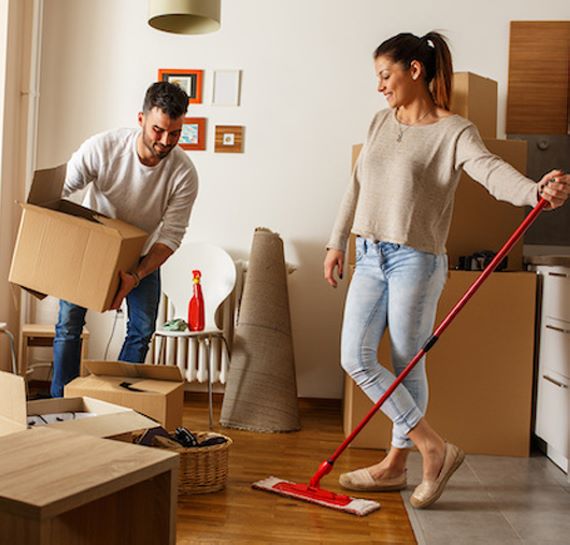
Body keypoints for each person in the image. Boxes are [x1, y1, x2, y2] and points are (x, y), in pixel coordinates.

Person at [324, 31, 569, 509]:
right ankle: (433, 447)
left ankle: (397, 463)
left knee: (406, 360)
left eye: (385, 74)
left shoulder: (454, 131)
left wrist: (533, 191)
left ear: (414, 71)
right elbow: (354, 186)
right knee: (354, 356)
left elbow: (491, 171)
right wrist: (337, 242)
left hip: (415, 258)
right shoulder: (379, 122)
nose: (379, 86)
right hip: (368, 256)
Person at [51, 81, 199, 398]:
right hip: (91, 249)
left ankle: (118, 402)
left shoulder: (184, 173)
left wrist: (137, 275)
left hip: (142, 257)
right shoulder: (104, 148)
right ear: (141, 119)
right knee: (68, 325)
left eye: (174, 133)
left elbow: (172, 235)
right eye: (159, 130)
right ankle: (60, 403)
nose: (165, 141)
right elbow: (58, 190)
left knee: (142, 330)